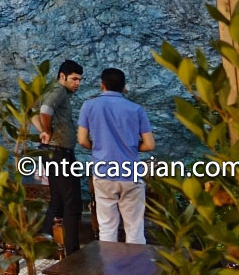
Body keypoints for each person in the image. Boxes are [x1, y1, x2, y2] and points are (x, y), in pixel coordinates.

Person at [77, 67, 154, 244]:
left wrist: (98, 148)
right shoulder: (136, 109)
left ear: (102, 85)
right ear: (123, 87)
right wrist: (131, 146)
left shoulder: (89, 106)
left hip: (103, 173)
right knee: (134, 228)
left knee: (107, 228)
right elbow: (150, 144)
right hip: (130, 174)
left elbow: (82, 140)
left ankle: (109, 269)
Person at [34, 59, 85, 253]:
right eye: (74, 79)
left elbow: (32, 111)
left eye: (79, 79)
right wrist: (46, 130)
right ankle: (72, 252)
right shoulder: (58, 90)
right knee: (72, 203)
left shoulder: (51, 90)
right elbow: (45, 110)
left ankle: (45, 247)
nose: (77, 83)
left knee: (57, 200)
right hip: (60, 154)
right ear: (62, 76)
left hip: (53, 153)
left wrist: (43, 133)